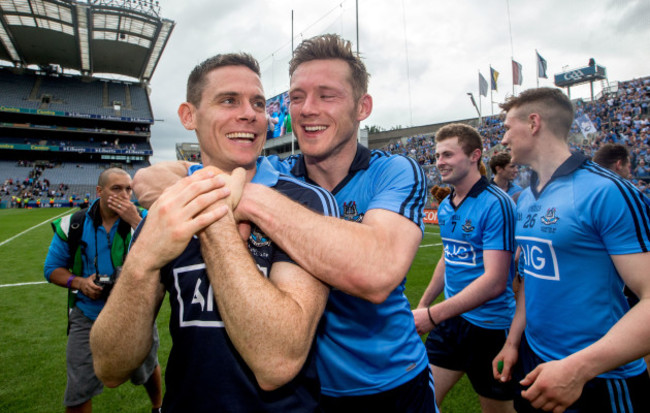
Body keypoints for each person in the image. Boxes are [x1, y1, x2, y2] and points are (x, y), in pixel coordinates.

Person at [134, 34, 436, 413]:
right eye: (296, 97)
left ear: (363, 107)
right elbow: (149, 180)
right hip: (310, 390)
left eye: (327, 95)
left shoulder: (392, 171)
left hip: (387, 382)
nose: (308, 109)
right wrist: (219, 186)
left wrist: (240, 197)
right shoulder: (276, 175)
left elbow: (377, 272)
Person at [90, 53, 337, 412]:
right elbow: (110, 368)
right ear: (189, 116)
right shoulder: (168, 209)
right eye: (228, 100)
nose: (250, 114)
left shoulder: (305, 201)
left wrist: (212, 211)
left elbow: (277, 361)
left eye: (257, 103)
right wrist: (142, 262)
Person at [493, 87, 650, 412]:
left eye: (508, 127)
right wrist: (513, 343)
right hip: (535, 362)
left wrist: (579, 368)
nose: (504, 139)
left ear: (534, 122)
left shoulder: (606, 191)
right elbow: (529, 282)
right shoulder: (526, 199)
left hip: (601, 378)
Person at [413, 124, 516, 413]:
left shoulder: (497, 203)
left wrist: (431, 315)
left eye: (448, 154)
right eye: (437, 156)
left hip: (489, 328)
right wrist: (424, 306)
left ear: (475, 155)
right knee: (419, 400)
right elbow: (449, 258)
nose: (440, 162)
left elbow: (495, 281)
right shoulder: (446, 205)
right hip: (450, 321)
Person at [44, 167, 162, 413]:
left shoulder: (143, 218)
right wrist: (80, 283)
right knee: (78, 387)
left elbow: (164, 254)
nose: (124, 194)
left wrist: (135, 222)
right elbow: (52, 269)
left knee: (146, 368)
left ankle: (158, 406)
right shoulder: (73, 224)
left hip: (134, 312)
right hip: (87, 312)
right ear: (99, 191)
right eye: (116, 188)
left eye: (128, 189)